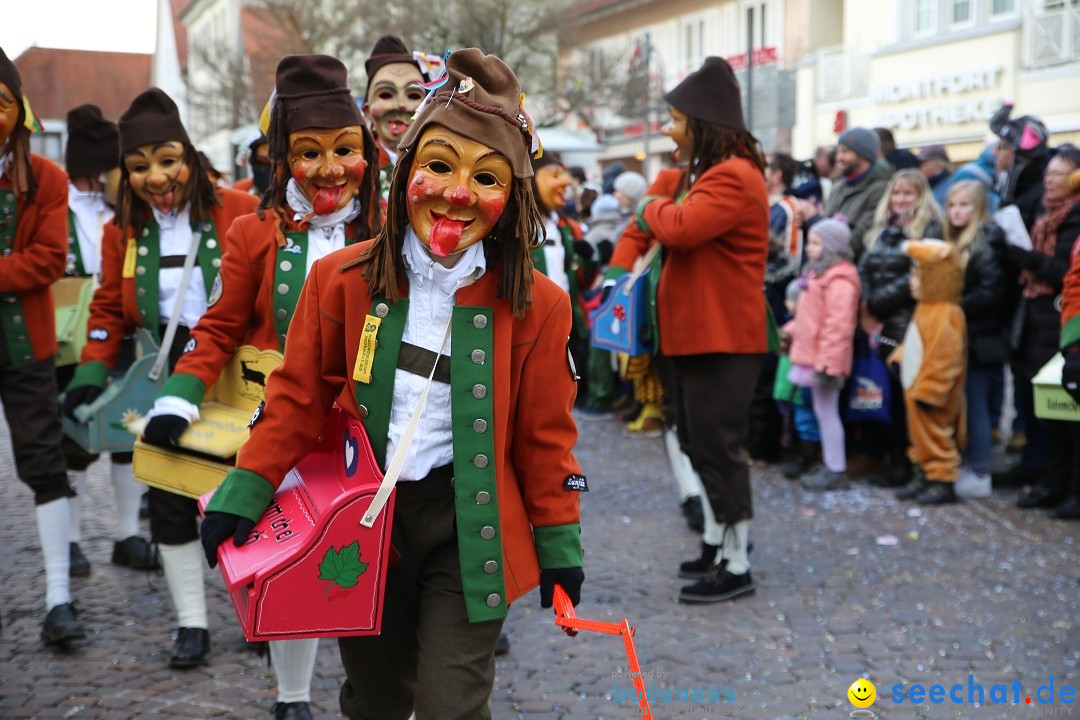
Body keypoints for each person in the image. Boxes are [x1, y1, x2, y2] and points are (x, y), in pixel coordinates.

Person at [199, 49, 585, 719]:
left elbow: (545, 437)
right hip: (365, 523)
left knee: (451, 705)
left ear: (511, 196)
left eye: (484, 178)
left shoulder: (540, 305)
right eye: (438, 166)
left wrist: (559, 544)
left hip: (472, 529)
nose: (456, 193)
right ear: (406, 170)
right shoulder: (342, 279)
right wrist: (247, 485)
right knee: (374, 701)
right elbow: (296, 397)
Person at [141, 55, 380, 720]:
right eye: (310, 153)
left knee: (372, 560)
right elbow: (217, 327)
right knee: (296, 553)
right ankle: (293, 697)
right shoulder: (253, 233)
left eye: (344, 150)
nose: (330, 169)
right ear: (282, 157)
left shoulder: (393, 230)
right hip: (280, 419)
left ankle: (377, 692)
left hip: (371, 424)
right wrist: (179, 396)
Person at [62, 87, 259, 668]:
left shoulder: (240, 211)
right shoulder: (121, 230)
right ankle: (192, 624)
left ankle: (257, 612)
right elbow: (105, 310)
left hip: (236, 378)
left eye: (167, 160)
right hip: (166, 379)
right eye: (140, 165)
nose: (156, 176)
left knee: (248, 497)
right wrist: (91, 373)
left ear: (189, 156)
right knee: (171, 501)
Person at [624, 56, 770, 603]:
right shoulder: (709, 173)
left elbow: (680, 228)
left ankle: (737, 561)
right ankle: (715, 540)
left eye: (675, 119)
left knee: (718, 448)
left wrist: (648, 205)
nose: (667, 128)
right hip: (694, 336)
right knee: (695, 442)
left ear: (702, 123)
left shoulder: (733, 174)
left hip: (721, 339)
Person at [0, 45, 86, 645]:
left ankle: (58, 597)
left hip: (25, 346)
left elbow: (49, 260)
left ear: (18, 110)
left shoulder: (46, 178)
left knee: (44, 462)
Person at [60, 104, 158, 575]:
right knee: (73, 443)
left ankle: (126, 535)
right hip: (68, 343)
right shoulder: (57, 208)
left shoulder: (126, 208)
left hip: (120, 333)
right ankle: (72, 540)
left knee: (127, 432)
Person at [1001, 145, 1080, 515]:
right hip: (1035, 318)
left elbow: (1062, 274)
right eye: (1048, 174)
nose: (1049, 181)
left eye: (1059, 175)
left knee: (1064, 412)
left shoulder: (1074, 217)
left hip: (1060, 322)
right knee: (1043, 409)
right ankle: (1048, 477)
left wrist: (1018, 253)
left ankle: (1067, 486)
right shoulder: (1042, 214)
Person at [857, 169, 944, 485]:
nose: (901, 199)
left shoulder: (929, 231)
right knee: (886, 395)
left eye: (908, 193)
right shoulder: (881, 231)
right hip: (879, 325)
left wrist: (874, 303)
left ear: (921, 196)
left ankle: (914, 464)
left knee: (909, 397)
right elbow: (863, 269)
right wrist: (866, 305)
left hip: (908, 325)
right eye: (897, 193)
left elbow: (914, 282)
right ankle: (891, 459)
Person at [944, 181, 1015, 499]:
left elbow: (992, 290)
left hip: (981, 337)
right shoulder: (963, 239)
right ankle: (975, 465)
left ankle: (980, 471)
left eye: (964, 205)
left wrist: (957, 306)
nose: (957, 211)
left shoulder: (982, 240)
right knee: (972, 404)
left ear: (979, 209)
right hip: (972, 334)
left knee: (977, 406)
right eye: (952, 205)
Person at [786, 219, 861, 491]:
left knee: (828, 412)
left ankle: (836, 468)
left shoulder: (840, 280)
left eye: (816, 243)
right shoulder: (819, 275)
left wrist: (828, 362)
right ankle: (830, 463)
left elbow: (838, 325)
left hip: (827, 359)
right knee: (821, 410)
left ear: (832, 247)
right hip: (815, 356)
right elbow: (812, 318)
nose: (809, 248)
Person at [891, 241, 967, 505]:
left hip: (931, 394)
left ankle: (942, 480)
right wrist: (898, 358)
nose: (912, 281)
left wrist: (930, 389)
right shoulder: (925, 308)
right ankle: (922, 473)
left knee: (936, 436)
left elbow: (945, 359)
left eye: (918, 275)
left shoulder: (946, 313)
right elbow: (915, 342)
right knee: (919, 436)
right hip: (915, 386)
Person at [361, 35, 428, 208]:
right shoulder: (358, 170)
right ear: (367, 110)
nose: (401, 105)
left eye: (413, 95)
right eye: (386, 94)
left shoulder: (440, 166)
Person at [819, 127, 892, 256]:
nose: (838, 157)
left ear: (863, 155)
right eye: (838, 151)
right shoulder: (837, 190)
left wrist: (813, 221)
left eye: (845, 151)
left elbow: (860, 239)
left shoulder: (880, 190)